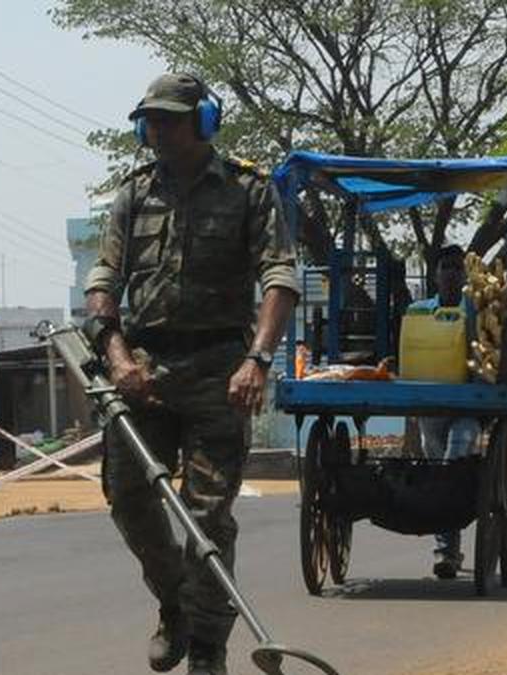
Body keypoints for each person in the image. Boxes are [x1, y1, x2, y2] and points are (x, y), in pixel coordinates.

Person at [82, 73, 300, 675]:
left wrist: (257, 359)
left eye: (170, 119)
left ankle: (207, 646)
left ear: (203, 122)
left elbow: (279, 277)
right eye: (149, 119)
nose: (157, 130)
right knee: (126, 496)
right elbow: (104, 281)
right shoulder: (132, 194)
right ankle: (176, 604)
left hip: (219, 374)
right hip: (144, 373)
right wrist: (119, 357)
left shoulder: (248, 190)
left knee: (206, 516)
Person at [410, 244, 480, 579]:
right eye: (445, 267)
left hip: (467, 406)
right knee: (437, 470)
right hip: (431, 408)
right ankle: (447, 548)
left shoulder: (478, 311)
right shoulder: (419, 311)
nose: (451, 273)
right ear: (436, 275)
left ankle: (447, 549)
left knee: (453, 462)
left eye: (456, 267)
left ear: (464, 274)